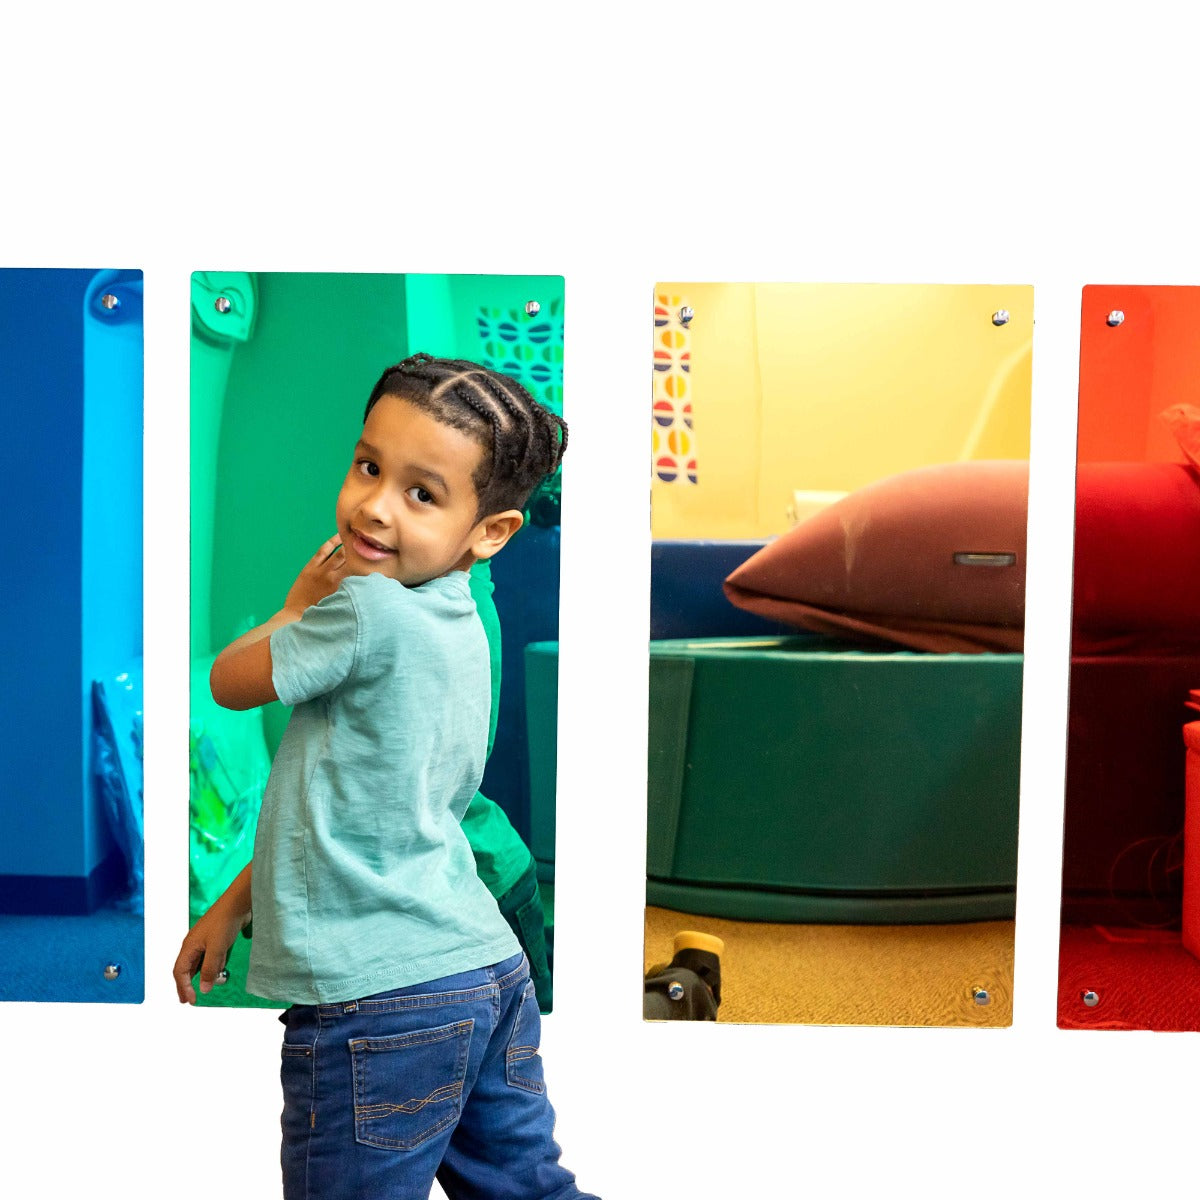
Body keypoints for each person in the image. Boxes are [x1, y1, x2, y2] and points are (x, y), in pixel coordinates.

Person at [173, 354, 597, 1200]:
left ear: (491, 530)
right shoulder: (467, 619)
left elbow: (228, 682)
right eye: (369, 465)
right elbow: (369, 812)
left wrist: (296, 606)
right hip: (483, 973)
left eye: (422, 493)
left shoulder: (364, 611)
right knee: (530, 1191)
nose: (374, 505)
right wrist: (236, 900)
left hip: (379, 1003)